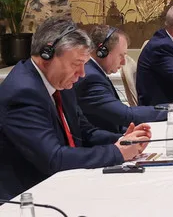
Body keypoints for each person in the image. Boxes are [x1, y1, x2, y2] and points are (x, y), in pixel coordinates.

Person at [0, 17, 151, 201]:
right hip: (26, 198)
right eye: (76, 64)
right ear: (47, 54)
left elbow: (85, 133)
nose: (82, 74)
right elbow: (53, 158)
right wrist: (116, 152)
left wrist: (124, 141)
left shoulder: (59, 83)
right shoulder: (23, 93)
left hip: (59, 184)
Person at [75, 25, 173, 134]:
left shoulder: (95, 72)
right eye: (121, 55)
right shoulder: (91, 77)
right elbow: (126, 115)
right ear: (102, 52)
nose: (123, 62)